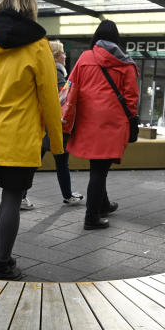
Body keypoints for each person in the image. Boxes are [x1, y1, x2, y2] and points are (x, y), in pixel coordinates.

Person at [0, 0, 64, 280]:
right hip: (21, 137)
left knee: (9, 197)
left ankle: (3, 259)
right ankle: (2, 262)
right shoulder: (38, 44)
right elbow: (49, 97)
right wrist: (57, 146)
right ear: (30, 6)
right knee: (12, 196)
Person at [65, 20, 139, 230]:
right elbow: (132, 99)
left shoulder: (85, 58)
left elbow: (71, 88)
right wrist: (129, 118)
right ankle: (91, 217)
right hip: (111, 124)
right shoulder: (125, 63)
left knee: (97, 167)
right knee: (99, 171)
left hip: (87, 122)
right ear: (117, 38)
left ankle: (103, 205)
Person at [21, 40, 83, 210]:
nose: (65, 56)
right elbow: (61, 97)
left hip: (42, 123)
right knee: (61, 161)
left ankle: (22, 196)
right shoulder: (56, 72)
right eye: (63, 53)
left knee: (36, 162)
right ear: (56, 56)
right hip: (54, 125)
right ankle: (67, 195)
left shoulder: (47, 69)